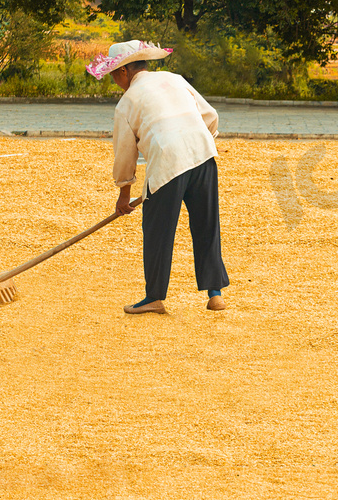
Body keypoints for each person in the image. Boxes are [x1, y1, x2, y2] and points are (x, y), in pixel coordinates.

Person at [86, 40, 230, 314]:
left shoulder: (127, 102)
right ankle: (215, 294)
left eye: (115, 73)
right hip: (203, 155)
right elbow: (210, 116)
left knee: (157, 230)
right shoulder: (174, 79)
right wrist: (201, 144)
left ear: (126, 71)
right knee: (206, 224)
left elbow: (125, 154)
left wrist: (124, 194)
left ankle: (154, 296)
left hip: (168, 161)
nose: (115, 80)